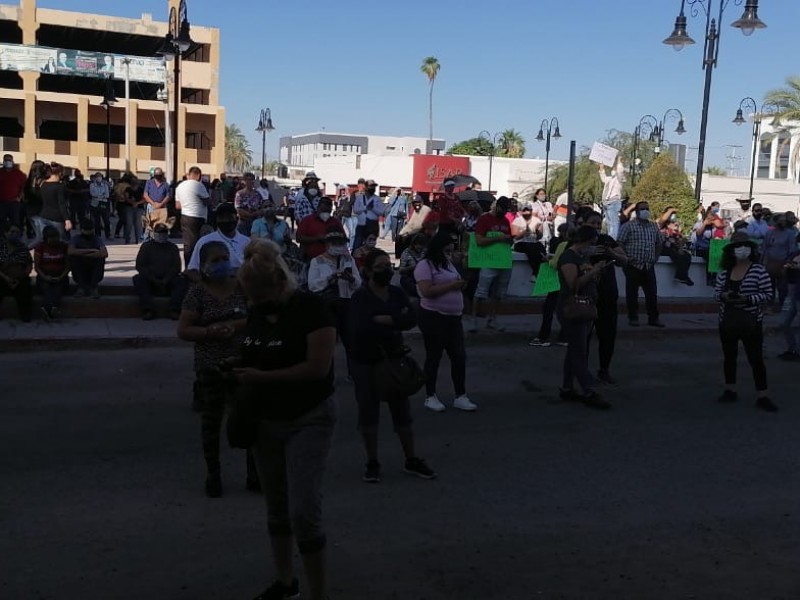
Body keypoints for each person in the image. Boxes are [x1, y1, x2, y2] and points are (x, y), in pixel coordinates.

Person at [232, 239, 336, 600]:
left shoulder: (311, 308)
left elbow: (317, 369)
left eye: (258, 296)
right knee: (275, 506)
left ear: (278, 282)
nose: (255, 305)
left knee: (304, 510)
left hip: (309, 416)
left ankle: (318, 593)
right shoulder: (258, 311)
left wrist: (261, 378)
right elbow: (256, 354)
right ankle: (286, 582)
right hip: (265, 419)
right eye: (251, 299)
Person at [349, 248, 437, 483]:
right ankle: (372, 461)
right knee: (368, 413)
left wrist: (385, 319)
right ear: (367, 271)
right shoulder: (360, 297)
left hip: (394, 359)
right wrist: (393, 320)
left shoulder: (396, 293)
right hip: (365, 361)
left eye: (388, 265)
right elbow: (361, 327)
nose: (386, 270)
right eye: (380, 267)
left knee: (402, 412)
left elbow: (410, 319)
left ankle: (411, 458)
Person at [176, 241, 256, 498]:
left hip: (242, 364)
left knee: (248, 420)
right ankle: (214, 474)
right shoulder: (197, 293)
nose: (222, 264)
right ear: (204, 265)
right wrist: (209, 331)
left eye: (225, 258)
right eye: (215, 260)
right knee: (211, 424)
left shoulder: (241, 288)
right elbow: (184, 329)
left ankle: (254, 474)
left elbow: (255, 318)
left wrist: (234, 325)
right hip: (210, 367)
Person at [713, 231, 776, 412]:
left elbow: (767, 295)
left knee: (755, 359)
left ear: (751, 249)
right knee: (729, 357)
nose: (741, 250)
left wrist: (747, 299)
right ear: (731, 251)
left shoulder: (758, 270)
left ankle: (762, 395)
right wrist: (724, 296)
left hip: (751, 322)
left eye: (745, 246)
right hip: (727, 321)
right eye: (737, 247)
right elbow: (716, 294)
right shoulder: (725, 272)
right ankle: (730, 389)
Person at [414, 232, 475, 412]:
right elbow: (427, 291)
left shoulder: (449, 265)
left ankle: (460, 395)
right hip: (434, 317)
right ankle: (430, 395)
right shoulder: (425, 265)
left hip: (453, 318)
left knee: (458, 357)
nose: (450, 252)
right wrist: (452, 286)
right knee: (434, 356)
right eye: (447, 249)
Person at [557, 225, 610, 409]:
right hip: (572, 307)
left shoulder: (581, 257)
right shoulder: (568, 257)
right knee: (579, 350)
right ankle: (587, 389)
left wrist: (592, 272)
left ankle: (567, 387)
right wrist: (593, 271)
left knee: (575, 349)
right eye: (591, 243)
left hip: (585, 306)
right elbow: (573, 284)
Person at [308, 230, 361, 381]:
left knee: (350, 340)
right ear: (327, 245)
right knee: (328, 343)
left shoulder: (348, 259)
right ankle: (327, 374)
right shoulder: (317, 261)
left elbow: (358, 283)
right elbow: (313, 285)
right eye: (335, 243)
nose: (339, 246)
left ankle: (354, 373)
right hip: (327, 305)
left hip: (346, 303)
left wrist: (350, 279)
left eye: (341, 243)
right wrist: (330, 278)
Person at [582, 211, 627, 384]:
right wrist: (589, 252)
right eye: (592, 223)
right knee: (583, 335)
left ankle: (604, 369)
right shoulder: (577, 241)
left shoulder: (606, 240)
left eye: (598, 223)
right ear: (583, 223)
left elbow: (624, 260)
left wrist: (612, 254)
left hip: (607, 294)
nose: (595, 226)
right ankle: (581, 370)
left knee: (607, 335)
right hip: (585, 294)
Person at [469, 196, 514, 332]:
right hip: (488, 261)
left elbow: (508, 239)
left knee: (498, 293)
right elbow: (479, 241)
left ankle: (492, 319)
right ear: (497, 206)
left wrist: (508, 240)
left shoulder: (506, 221)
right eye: (503, 209)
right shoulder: (484, 219)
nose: (505, 212)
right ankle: (474, 319)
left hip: (503, 260)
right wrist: (498, 238)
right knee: (481, 291)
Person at [618, 201, 664, 327]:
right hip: (633, 265)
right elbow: (620, 242)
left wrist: (656, 257)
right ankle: (633, 317)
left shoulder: (654, 226)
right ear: (637, 211)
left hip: (648, 265)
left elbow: (659, 243)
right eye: (643, 209)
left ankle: (653, 318)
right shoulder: (628, 226)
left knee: (652, 293)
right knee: (632, 293)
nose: (645, 211)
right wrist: (625, 258)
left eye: (647, 208)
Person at [133, 223, 184, 320]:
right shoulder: (146, 247)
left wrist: (166, 279)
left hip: (168, 282)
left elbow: (177, 267)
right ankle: (147, 309)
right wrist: (153, 279)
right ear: (154, 233)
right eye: (159, 233)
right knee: (138, 279)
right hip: (151, 281)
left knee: (181, 281)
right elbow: (140, 266)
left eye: (164, 233)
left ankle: (174, 309)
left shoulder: (173, 247)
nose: (161, 235)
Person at [187, 203, 250, 281]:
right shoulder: (205, 241)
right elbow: (193, 269)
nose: (226, 220)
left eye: (229, 217)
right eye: (222, 217)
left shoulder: (247, 242)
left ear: (237, 218)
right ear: (216, 220)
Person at [762, 212, 798, 312]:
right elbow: (765, 247)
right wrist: (764, 261)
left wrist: (788, 263)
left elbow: (792, 250)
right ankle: (769, 306)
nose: (782, 222)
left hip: (783, 263)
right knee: (769, 286)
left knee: (782, 287)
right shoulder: (770, 233)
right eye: (780, 221)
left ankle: (782, 306)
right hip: (770, 263)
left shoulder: (790, 234)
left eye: (784, 221)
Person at [175, 166, 211, 267]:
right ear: (198, 175)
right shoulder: (199, 185)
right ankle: (197, 267)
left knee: (187, 244)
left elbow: (177, 206)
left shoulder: (180, 186)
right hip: (198, 217)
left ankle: (188, 267)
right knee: (199, 244)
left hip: (185, 217)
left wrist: (187, 203)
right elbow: (207, 201)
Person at [33, 225, 70, 320]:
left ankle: (49, 308)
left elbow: (68, 266)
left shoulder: (64, 246)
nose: (54, 240)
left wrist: (61, 277)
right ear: (46, 238)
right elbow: (37, 267)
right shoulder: (40, 247)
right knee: (47, 287)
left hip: (61, 275)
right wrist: (45, 277)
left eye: (56, 237)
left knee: (58, 287)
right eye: (52, 238)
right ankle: (50, 309)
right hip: (44, 275)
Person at [0, 222, 33, 321]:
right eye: (12, 231)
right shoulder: (1, 247)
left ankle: (25, 315)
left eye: (17, 232)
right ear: (6, 233)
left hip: (19, 278)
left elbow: (29, 264)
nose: (14, 234)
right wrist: (6, 278)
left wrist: (20, 277)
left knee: (25, 289)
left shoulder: (23, 248)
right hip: (2, 277)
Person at [31, 162, 71, 245]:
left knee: (44, 240)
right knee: (60, 241)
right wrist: (67, 220)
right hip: (57, 217)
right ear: (60, 173)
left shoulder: (42, 184)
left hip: (43, 215)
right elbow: (61, 204)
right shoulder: (60, 186)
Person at [68, 218, 107, 299]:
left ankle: (93, 288)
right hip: (80, 269)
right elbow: (70, 251)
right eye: (86, 230)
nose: (88, 233)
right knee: (73, 258)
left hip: (93, 269)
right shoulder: (76, 239)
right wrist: (91, 251)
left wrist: (81, 253)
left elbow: (104, 253)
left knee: (100, 259)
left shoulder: (97, 239)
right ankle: (81, 287)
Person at [657, 207, 694, 286]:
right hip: (664, 249)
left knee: (686, 255)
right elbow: (661, 221)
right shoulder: (662, 226)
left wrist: (680, 247)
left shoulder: (675, 228)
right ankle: (682, 276)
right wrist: (670, 210)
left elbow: (679, 240)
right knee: (676, 254)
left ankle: (681, 276)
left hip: (674, 248)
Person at [511, 203, 545, 275]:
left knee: (540, 247)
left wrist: (536, 231)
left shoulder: (537, 221)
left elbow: (540, 237)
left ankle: (542, 270)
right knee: (530, 249)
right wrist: (524, 232)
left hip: (533, 242)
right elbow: (514, 237)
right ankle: (535, 271)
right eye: (524, 210)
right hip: (520, 243)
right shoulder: (517, 220)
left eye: (528, 210)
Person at [235, 172, 270, 236]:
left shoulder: (257, 194)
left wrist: (257, 213)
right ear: (245, 181)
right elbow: (238, 208)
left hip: (255, 223)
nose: (251, 182)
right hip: (243, 223)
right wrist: (249, 214)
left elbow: (261, 208)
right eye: (249, 179)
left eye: (252, 180)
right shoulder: (240, 194)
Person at [352, 178, 383, 250]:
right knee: (357, 245)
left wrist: (373, 208)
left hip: (372, 226)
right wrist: (365, 208)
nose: (372, 188)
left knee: (370, 247)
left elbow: (381, 212)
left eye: (374, 187)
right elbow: (355, 210)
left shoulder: (377, 199)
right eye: (371, 186)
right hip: (361, 225)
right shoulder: (359, 198)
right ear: (366, 187)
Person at [598, 158, 625, 239]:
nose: (613, 169)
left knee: (613, 223)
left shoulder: (619, 179)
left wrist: (619, 162)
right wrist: (601, 168)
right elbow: (603, 178)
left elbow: (620, 172)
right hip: (606, 202)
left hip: (614, 202)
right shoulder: (609, 179)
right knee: (609, 223)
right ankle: (610, 237)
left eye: (615, 168)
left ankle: (613, 239)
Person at [0, 153, 28, 228]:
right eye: (6, 160)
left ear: (12, 161)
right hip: (2, 203)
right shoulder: (1, 172)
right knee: (1, 222)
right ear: (3, 161)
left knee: (16, 222)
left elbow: (24, 187)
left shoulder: (18, 173)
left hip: (14, 203)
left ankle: (16, 237)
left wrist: (19, 197)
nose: (7, 161)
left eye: (9, 160)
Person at [143, 168, 172, 240]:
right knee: (149, 225)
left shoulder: (165, 185)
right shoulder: (149, 183)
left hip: (162, 207)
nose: (158, 176)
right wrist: (153, 203)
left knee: (161, 225)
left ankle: (159, 240)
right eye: (157, 175)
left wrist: (161, 204)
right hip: (151, 206)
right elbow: (145, 195)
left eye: (160, 175)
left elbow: (168, 196)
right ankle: (146, 241)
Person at [398, 234, 428, 298]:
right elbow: (401, 270)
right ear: (414, 244)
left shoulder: (425, 251)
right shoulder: (406, 253)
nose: (420, 247)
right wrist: (412, 267)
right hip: (410, 276)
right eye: (418, 245)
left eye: (422, 245)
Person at [89, 173, 112, 240]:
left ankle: (108, 235)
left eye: (100, 177)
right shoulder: (92, 185)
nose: (99, 178)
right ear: (95, 178)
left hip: (103, 204)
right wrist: (102, 196)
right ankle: (98, 235)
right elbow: (92, 194)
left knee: (106, 221)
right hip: (95, 204)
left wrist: (99, 196)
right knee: (97, 221)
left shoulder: (105, 185)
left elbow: (107, 195)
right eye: (97, 177)